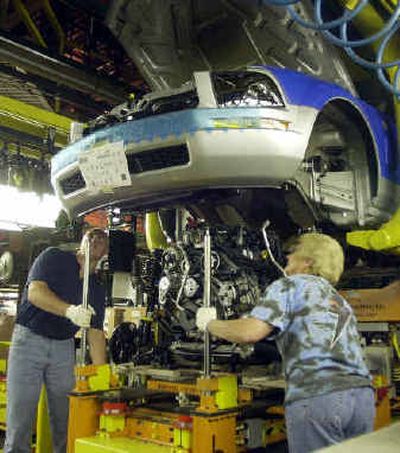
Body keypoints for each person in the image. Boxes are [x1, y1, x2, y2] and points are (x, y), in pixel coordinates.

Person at [196, 233, 375, 453]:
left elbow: (251, 332)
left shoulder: (290, 286)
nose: (287, 260)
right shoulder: (339, 301)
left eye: (292, 256)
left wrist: (210, 324)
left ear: (308, 261)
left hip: (319, 396)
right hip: (361, 397)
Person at [5, 228, 109, 453]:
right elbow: (35, 293)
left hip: (63, 345)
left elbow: (96, 333)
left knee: (67, 417)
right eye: (92, 235)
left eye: (103, 238)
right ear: (82, 241)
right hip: (29, 340)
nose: (97, 239)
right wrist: (69, 311)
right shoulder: (53, 257)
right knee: (20, 417)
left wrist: (103, 376)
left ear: (105, 252)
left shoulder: (96, 288)